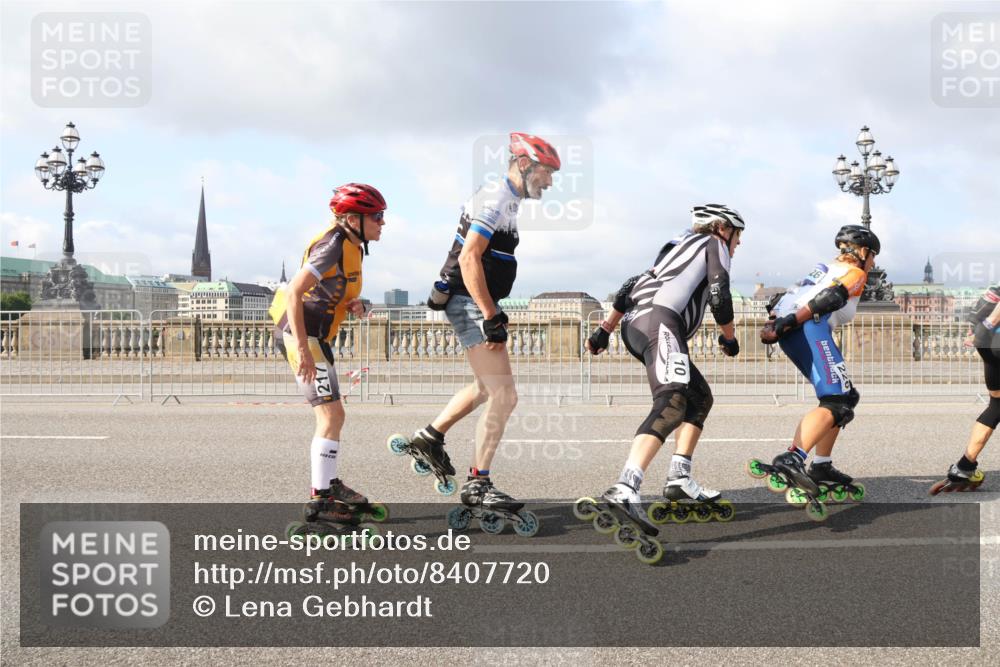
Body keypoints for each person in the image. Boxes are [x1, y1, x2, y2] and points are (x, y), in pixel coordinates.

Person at [398, 132, 560, 516]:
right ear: (524, 164)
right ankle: (478, 483)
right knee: (505, 395)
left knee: (487, 388)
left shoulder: (509, 200)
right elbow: (470, 258)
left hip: (470, 300)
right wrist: (491, 315)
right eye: (547, 172)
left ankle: (429, 437)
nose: (550, 182)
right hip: (469, 301)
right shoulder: (496, 198)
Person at [583, 204, 744, 545]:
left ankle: (679, 478)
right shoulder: (712, 244)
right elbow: (719, 294)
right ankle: (626, 486)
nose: (738, 243)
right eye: (737, 234)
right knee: (672, 402)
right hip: (660, 321)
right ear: (722, 228)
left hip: (635, 324)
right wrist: (729, 338)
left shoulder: (675, 248)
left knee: (698, 397)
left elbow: (629, 287)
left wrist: (603, 331)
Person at [270, 183, 388, 532]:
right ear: (353, 219)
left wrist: (355, 305)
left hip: (316, 334)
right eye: (377, 217)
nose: (383, 223)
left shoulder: (354, 245)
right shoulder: (333, 244)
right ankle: (321, 498)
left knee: (334, 416)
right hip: (300, 335)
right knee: (331, 414)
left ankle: (328, 486)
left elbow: (334, 290)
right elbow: (294, 291)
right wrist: (304, 349)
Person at [750, 224, 879, 516]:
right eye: (872, 256)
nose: (873, 263)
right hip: (809, 328)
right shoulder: (855, 273)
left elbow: (781, 300)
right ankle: (793, 457)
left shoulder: (821, 268)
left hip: (794, 331)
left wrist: (777, 324)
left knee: (846, 397)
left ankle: (821, 465)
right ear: (861, 252)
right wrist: (791, 322)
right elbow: (829, 299)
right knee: (837, 402)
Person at [930, 284, 1000, 494]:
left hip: (990, 347)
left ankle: (964, 468)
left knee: (996, 406)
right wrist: (988, 325)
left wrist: (979, 333)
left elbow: (979, 313)